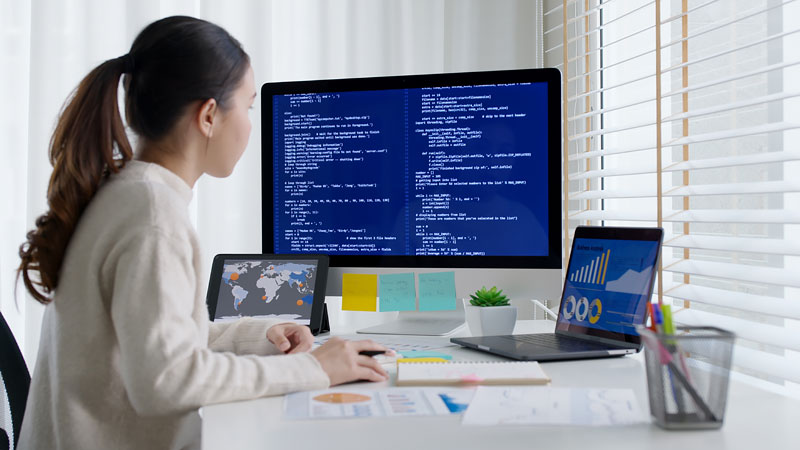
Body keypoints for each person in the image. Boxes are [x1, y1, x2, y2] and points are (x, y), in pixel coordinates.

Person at [16, 16, 388, 450]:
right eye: (248, 107)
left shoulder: (128, 193)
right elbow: (166, 381)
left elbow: (160, 338)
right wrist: (316, 370)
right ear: (209, 115)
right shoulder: (153, 216)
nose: (251, 125)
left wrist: (261, 336)